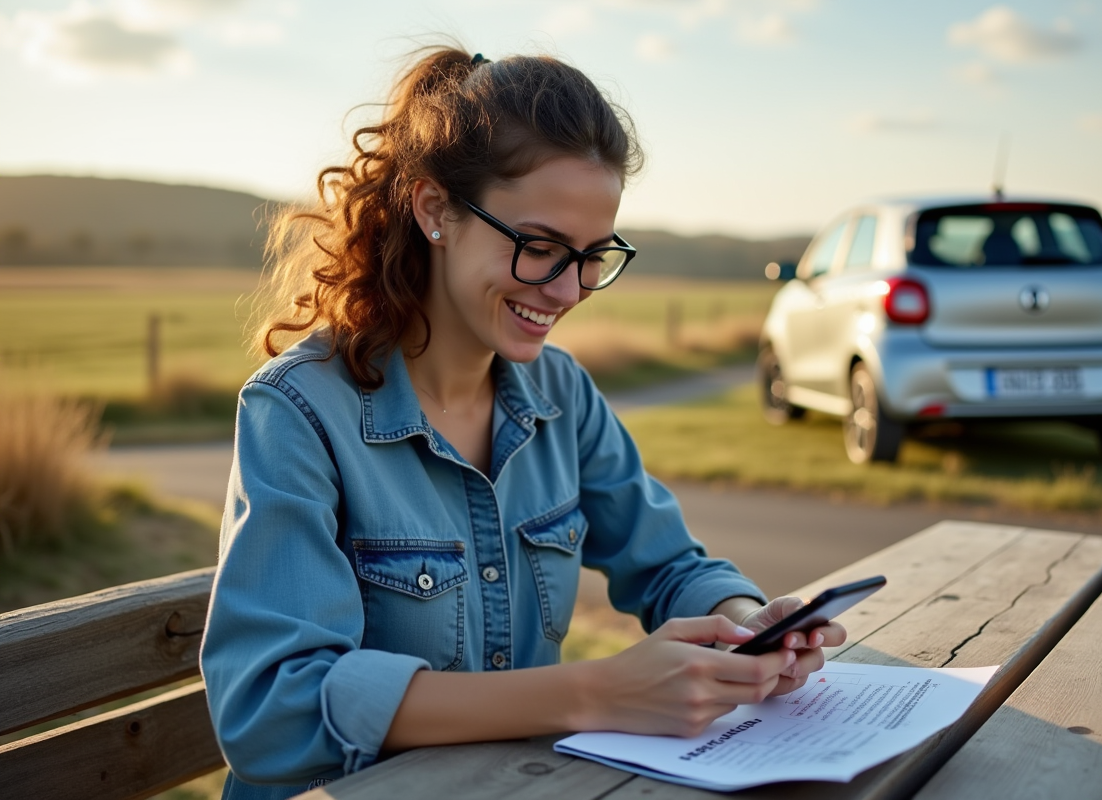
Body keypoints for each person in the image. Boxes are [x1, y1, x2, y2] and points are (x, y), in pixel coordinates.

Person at [200, 46, 846, 800]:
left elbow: (670, 566)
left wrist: (749, 626)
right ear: (435, 210)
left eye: (593, 256)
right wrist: (595, 692)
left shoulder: (562, 393)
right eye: (540, 248)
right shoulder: (299, 410)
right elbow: (270, 713)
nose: (569, 291)